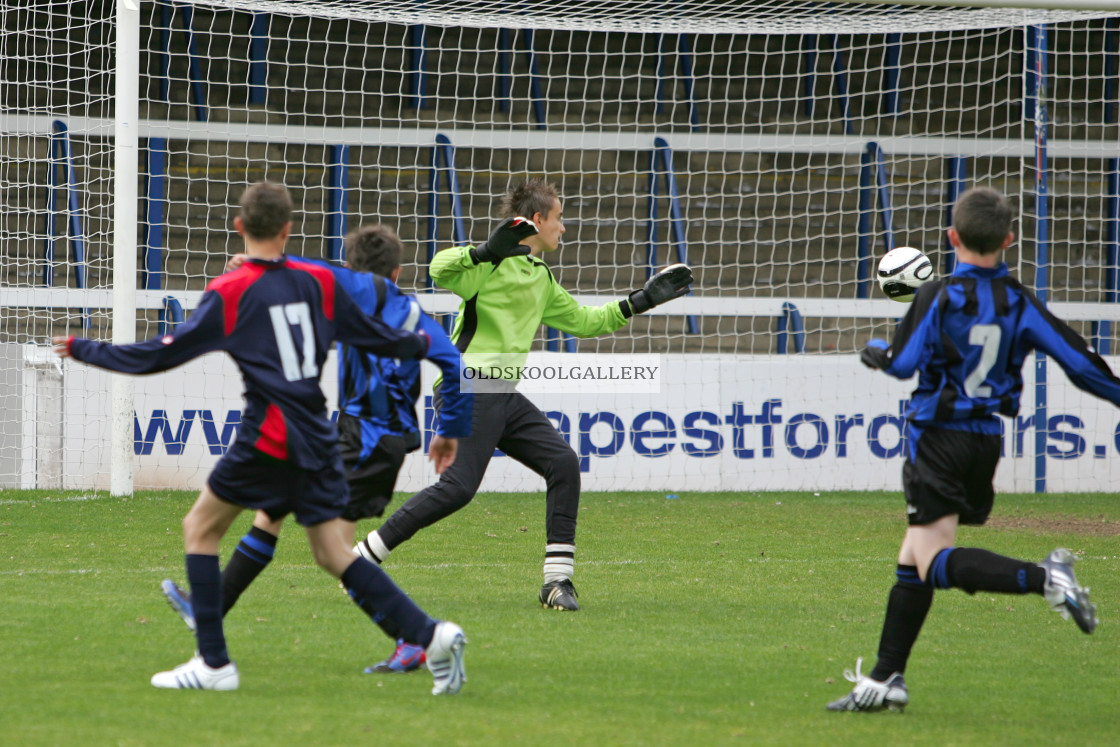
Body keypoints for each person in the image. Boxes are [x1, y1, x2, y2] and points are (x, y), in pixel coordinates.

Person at [54, 182, 467, 695]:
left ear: (240, 227)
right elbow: (372, 334)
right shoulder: (316, 281)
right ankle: (434, 634)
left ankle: (213, 663)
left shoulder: (232, 290)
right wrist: (424, 340)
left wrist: (83, 347)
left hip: (269, 435)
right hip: (318, 436)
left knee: (200, 528)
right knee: (331, 553)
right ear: (289, 228)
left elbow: (161, 353)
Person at [353, 176, 693, 629]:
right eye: (559, 218)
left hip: (502, 395)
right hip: (469, 386)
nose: (564, 228)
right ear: (538, 220)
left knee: (563, 462)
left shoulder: (540, 276)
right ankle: (363, 558)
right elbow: (439, 269)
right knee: (457, 489)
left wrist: (639, 302)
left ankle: (557, 582)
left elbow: (585, 322)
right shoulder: (491, 265)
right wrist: (483, 252)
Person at [826, 187, 1114, 713]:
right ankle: (888, 679)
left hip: (938, 437)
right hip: (986, 442)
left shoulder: (936, 296)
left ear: (952, 237)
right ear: (1008, 239)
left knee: (931, 555)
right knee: (912, 561)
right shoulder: (1019, 301)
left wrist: (876, 354)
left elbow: (903, 364)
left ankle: (1045, 578)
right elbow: (1080, 363)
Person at [157, 223, 471, 676]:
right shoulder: (414, 313)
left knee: (335, 551)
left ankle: (416, 636)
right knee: (273, 510)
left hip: (365, 439)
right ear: (399, 271)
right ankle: (211, 607)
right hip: (366, 436)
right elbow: (456, 368)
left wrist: (261, 265)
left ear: (352, 269)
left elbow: (309, 270)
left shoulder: (349, 288)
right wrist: (450, 430)